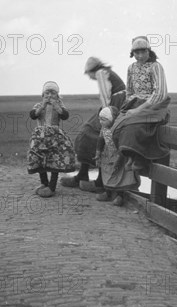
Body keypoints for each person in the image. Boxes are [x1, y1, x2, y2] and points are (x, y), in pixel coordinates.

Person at [60, 57, 126, 192]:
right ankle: (85, 175)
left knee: (90, 132)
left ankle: (97, 181)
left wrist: (106, 113)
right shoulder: (107, 72)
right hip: (118, 104)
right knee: (92, 131)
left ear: (92, 71)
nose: (89, 77)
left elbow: (105, 95)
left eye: (88, 73)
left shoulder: (101, 73)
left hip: (113, 106)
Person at [112, 36, 170, 174]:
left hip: (153, 104)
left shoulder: (155, 67)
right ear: (133, 54)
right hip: (134, 102)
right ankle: (131, 156)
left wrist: (138, 110)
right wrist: (128, 107)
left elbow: (160, 93)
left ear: (148, 51)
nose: (139, 56)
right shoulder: (131, 68)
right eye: (136, 53)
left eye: (142, 52)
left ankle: (140, 159)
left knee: (137, 126)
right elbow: (130, 91)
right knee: (117, 126)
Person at [27, 81, 77, 198]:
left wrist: (57, 106)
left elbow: (65, 115)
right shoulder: (39, 105)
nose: (49, 95)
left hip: (55, 136)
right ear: (43, 94)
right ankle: (44, 183)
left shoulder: (59, 105)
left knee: (56, 159)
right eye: (47, 93)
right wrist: (43, 106)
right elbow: (33, 115)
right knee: (39, 158)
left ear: (57, 95)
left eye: (53, 93)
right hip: (40, 136)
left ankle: (52, 186)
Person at [94, 106, 140, 206]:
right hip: (108, 156)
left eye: (104, 120)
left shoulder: (119, 128)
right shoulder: (104, 129)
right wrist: (98, 153)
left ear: (111, 119)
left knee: (120, 175)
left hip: (120, 156)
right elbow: (100, 141)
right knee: (107, 174)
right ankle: (108, 192)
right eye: (100, 119)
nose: (101, 122)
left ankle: (120, 195)